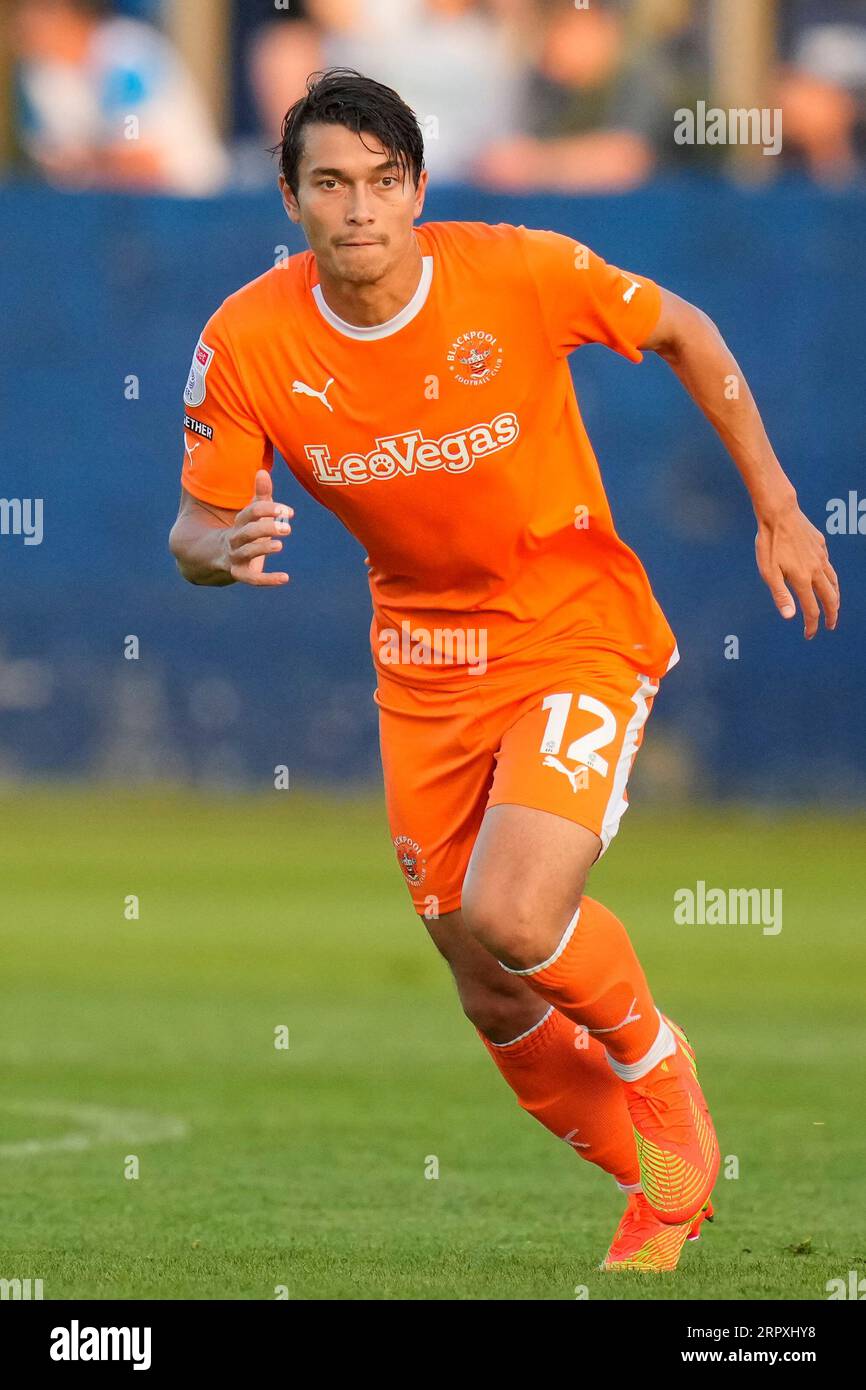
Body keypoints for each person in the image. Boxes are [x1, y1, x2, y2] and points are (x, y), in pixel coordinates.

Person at [168, 68, 839, 1271]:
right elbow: (191, 531)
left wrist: (777, 504)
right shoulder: (244, 341)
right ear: (290, 198)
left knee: (514, 909)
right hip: (422, 667)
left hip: (572, 624)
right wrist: (215, 551)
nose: (360, 207)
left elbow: (684, 326)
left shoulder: (517, 272)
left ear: (418, 189)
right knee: (486, 986)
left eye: (383, 182)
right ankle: (659, 1184)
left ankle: (658, 1072)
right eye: (331, 182)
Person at [11, 0, 228, 195]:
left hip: (184, 198)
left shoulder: (128, 57)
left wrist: (88, 160)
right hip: (100, 207)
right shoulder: (39, 77)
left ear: (71, 12)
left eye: (44, 10)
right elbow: (51, 162)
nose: (28, 23)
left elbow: (137, 155)